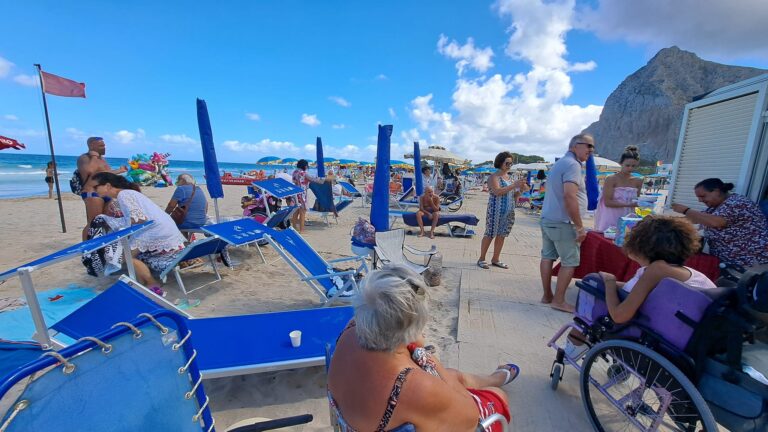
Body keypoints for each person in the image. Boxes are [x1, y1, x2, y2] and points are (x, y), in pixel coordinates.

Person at [327, 265, 517, 432]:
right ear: (415, 326)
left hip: (355, 417)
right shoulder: (414, 386)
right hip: (424, 404)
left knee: (454, 375)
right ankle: (494, 384)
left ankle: (493, 378)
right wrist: (432, 361)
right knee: (498, 394)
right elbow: (471, 419)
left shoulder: (350, 330)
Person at [564, 216, 716, 359]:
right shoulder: (683, 272)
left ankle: (576, 342)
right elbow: (637, 288)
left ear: (640, 246)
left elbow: (619, 316)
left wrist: (610, 282)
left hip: (664, 336)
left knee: (592, 291)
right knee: (596, 284)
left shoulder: (657, 269)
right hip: (690, 334)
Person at [90, 172, 185, 296]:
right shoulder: (128, 193)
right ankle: (143, 281)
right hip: (165, 230)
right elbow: (138, 217)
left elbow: (139, 219)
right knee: (127, 253)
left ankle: (152, 283)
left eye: (95, 187)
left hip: (156, 231)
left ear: (107, 186)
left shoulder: (123, 195)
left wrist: (116, 223)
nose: (94, 190)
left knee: (125, 257)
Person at [540, 133, 594, 313]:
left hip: (549, 219)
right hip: (564, 222)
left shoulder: (561, 163)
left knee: (547, 256)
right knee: (569, 261)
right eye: (588, 146)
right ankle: (559, 300)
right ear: (574, 146)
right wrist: (579, 226)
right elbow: (569, 196)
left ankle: (547, 295)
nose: (591, 150)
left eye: (592, 147)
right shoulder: (573, 165)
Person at [671, 178, 768, 268]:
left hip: (748, 261)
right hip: (729, 260)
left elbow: (716, 222)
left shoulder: (737, 203)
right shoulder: (716, 206)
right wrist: (669, 220)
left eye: (703, 196)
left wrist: (686, 210)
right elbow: (698, 218)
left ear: (717, 191)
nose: (700, 200)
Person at [478, 152, 528, 270]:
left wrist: (521, 190)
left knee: (502, 235)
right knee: (490, 234)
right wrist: (514, 185)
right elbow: (497, 192)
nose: (509, 165)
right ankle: (481, 258)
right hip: (495, 210)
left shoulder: (510, 178)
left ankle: (495, 259)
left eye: (511, 163)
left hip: (508, 211)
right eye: (507, 163)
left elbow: (513, 195)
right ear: (500, 163)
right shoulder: (494, 177)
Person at [76, 137, 128, 240]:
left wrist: (119, 171)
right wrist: (93, 156)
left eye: (104, 145)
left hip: (106, 193)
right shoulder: (84, 158)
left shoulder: (102, 159)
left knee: (105, 222)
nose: (104, 147)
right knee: (93, 222)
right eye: (101, 146)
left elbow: (104, 174)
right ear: (92, 146)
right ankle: (86, 246)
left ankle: (100, 244)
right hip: (92, 193)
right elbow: (90, 170)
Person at [593, 145, 643, 232]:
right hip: (611, 215)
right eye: (627, 165)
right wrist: (628, 204)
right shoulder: (611, 179)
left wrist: (644, 203)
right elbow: (607, 202)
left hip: (628, 217)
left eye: (633, 166)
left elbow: (636, 201)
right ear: (621, 163)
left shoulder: (638, 181)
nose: (630, 168)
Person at [291, 159, 327, 233]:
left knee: (296, 212)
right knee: (302, 212)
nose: (307, 167)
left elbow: (294, 181)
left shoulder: (294, 172)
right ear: (305, 166)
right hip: (302, 194)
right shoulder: (304, 173)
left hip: (295, 193)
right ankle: (301, 230)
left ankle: (294, 228)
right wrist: (322, 179)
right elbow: (314, 180)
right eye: (307, 166)